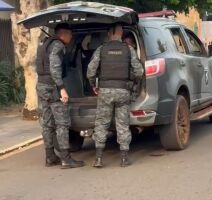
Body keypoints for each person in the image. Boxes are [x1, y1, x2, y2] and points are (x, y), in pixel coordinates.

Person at [87, 24, 144, 168]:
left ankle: (99, 159)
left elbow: (90, 71)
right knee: (123, 124)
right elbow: (139, 71)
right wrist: (133, 84)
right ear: (121, 33)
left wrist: (94, 85)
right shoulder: (129, 49)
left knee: (101, 124)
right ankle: (124, 159)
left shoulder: (101, 50)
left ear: (108, 34)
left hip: (105, 91)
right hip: (123, 91)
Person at [36, 23, 85, 169]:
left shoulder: (43, 45)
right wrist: (62, 88)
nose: (71, 37)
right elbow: (54, 68)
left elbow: (39, 65)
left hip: (41, 86)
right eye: (70, 34)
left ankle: (50, 157)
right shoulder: (58, 46)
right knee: (62, 123)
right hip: (53, 88)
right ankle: (66, 159)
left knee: (47, 123)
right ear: (63, 34)